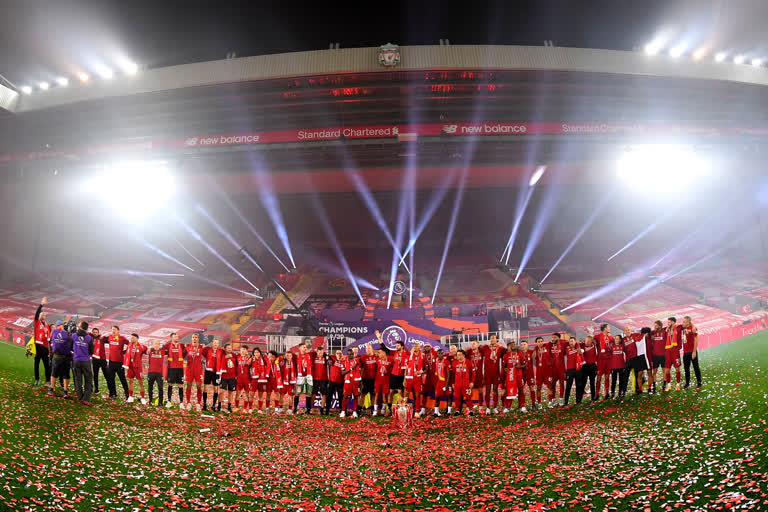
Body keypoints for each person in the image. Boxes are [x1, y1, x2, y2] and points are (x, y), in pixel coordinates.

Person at [480, 335, 505, 414]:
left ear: (497, 339)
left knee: (495, 390)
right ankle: (487, 408)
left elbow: (508, 351)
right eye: (491, 338)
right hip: (487, 373)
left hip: (496, 373)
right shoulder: (486, 347)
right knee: (487, 390)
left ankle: (494, 407)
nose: (491, 339)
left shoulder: (501, 348)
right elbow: (477, 349)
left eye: (493, 338)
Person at [71, 321, 94, 405]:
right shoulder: (88, 338)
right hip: (86, 361)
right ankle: (86, 398)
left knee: (78, 379)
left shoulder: (74, 336)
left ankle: (80, 397)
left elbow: (70, 347)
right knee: (88, 379)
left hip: (76, 360)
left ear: (80, 327)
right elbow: (91, 351)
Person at [104, 325, 129, 400]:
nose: (113, 331)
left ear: (118, 330)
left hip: (119, 362)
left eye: (114, 329)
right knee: (111, 379)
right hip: (111, 362)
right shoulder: (109, 337)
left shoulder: (122, 338)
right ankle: (112, 393)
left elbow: (129, 345)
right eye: (112, 330)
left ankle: (127, 395)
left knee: (122, 379)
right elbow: (102, 340)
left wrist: (124, 352)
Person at [49, 321, 72, 398]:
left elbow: (70, 340)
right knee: (54, 373)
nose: (59, 326)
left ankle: (65, 391)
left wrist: (67, 331)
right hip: (57, 356)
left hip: (66, 357)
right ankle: (51, 389)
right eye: (58, 325)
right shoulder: (55, 331)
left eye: (60, 325)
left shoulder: (66, 333)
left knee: (66, 374)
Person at [124, 333, 147, 405]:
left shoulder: (141, 347)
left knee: (140, 382)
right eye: (131, 338)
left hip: (138, 367)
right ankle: (130, 396)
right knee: (130, 381)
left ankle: (143, 397)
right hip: (130, 367)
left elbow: (147, 351)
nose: (131, 339)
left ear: (137, 338)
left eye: (133, 338)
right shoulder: (129, 346)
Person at [33, 297, 51, 386]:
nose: (44, 315)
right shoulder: (37, 322)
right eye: (42, 314)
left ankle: (48, 381)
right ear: (39, 316)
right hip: (38, 346)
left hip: (45, 347)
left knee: (46, 365)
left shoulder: (47, 325)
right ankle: (37, 379)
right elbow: (36, 314)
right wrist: (41, 305)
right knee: (36, 364)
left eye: (45, 315)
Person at [184, 333, 205, 411]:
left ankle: (198, 403)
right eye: (193, 337)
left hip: (198, 370)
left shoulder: (201, 347)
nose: (194, 339)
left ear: (198, 339)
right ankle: (188, 403)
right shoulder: (187, 347)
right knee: (188, 385)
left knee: (199, 386)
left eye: (196, 337)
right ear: (191, 338)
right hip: (189, 369)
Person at [164, 333, 185, 409]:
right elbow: (161, 350)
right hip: (171, 368)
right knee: (170, 384)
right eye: (175, 336)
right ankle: (169, 401)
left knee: (180, 385)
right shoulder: (167, 345)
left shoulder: (182, 345)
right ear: (171, 337)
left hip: (180, 368)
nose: (177, 337)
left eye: (177, 336)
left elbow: (185, 352)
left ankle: (181, 403)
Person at [450, 349, 474, 416]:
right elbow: (453, 374)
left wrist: (472, 382)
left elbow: (473, 373)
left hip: (466, 384)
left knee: (468, 397)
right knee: (457, 397)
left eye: (459, 355)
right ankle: (457, 410)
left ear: (463, 355)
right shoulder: (454, 363)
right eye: (457, 355)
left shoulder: (468, 362)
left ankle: (470, 410)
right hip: (457, 384)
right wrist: (453, 383)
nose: (458, 356)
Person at [681, 316, 702, 389]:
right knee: (686, 369)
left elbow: (696, 340)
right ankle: (687, 383)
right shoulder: (683, 327)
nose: (682, 323)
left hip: (692, 351)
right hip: (685, 352)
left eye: (684, 322)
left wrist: (694, 352)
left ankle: (699, 382)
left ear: (687, 322)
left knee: (696, 367)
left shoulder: (693, 329)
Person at [201, 338, 222, 411]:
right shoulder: (207, 349)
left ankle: (213, 405)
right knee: (205, 388)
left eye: (217, 343)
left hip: (216, 372)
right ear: (212, 343)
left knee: (216, 389)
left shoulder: (220, 351)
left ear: (218, 344)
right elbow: (201, 351)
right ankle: (204, 405)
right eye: (214, 343)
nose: (216, 344)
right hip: (208, 371)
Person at [404, 344, 425, 417]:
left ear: (419, 348)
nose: (415, 348)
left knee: (417, 395)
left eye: (417, 347)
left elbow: (426, 369)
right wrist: (404, 379)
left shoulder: (423, 356)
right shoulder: (409, 357)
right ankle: (404, 410)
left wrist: (421, 372)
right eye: (414, 347)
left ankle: (416, 411)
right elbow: (406, 369)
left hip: (417, 378)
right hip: (409, 378)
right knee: (406, 394)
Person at [340, 349, 361, 418]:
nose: (350, 355)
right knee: (345, 396)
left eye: (352, 354)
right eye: (349, 354)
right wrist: (350, 369)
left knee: (356, 396)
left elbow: (359, 372)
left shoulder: (357, 362)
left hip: (355, 381)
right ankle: (343, 411)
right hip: (347, 381)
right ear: (347, 354)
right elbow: (342, 373)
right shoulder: (343, 362)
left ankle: (355, 412)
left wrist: (360, 382)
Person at [387, 338, 407, 409]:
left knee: (400, 392)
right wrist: (379, 339)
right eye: (396, 345)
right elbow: (385, 349)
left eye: (398, 345)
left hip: (401, 376)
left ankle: (401, 407)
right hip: (393, 374)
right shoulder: (394, 353)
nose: (396, 347)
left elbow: (405, 369)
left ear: (402, 346)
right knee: (391, 391)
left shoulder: (405, 355)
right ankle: (389, 408)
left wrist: (405, 379)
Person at [594, 324, 613, 400]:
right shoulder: (597, 337)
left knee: (607, 376)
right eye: (608, 327)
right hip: (601, 360)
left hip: (608, 360)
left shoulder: (611, 338)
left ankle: (607, 393)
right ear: (605, 328)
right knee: (599, 377)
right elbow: (592, 342)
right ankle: (597, 394)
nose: (609, 328)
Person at [664, 317, 683, 392]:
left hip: (675, 351)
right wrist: (667, 329)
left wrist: (676, 324)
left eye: (669, 322)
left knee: (677, 369)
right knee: (667, 370)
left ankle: (678, 384)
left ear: (673, 322)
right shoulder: (666, 330)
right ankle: (669, 385)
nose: (668, 323)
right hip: (668, 352)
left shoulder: (678, 328)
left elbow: (684, 325)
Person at [563, 336, 583, 406]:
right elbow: (563, 342)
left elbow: (581, 343)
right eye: (570, 341)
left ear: (575, 341)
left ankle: (578, 401)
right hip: (569, 370)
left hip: (578, 369)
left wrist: (577, 345)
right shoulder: (567, 348)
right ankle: (566, 402)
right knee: (568, 386)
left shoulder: (578, 347)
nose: (571, 343)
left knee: (578, 385)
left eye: (572, 341)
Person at [466, 340, 486, 412]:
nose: (472, 345)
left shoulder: (481, 352)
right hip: (471, 375)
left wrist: (481, 347)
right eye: (472, 344)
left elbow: (486, 349)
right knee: (469, 391)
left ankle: (481, 407)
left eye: (474, 344)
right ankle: (468, 408)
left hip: (479, 375)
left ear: (478, 345)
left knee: (480, 391)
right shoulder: (468, 353)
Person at [309, 346, 329, 414]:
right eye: (319, 352)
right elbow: (309, 353)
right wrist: (315, 352)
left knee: (324, 394)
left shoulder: (325, 358)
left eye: (322, 352)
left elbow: (331, 359)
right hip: (315, 379)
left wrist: (327, 355)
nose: (320, 353)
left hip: (324, 379)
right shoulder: (313, 357)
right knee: (313, 394)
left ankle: (322, 409)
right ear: (317, 352)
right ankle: (309, 409)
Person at [293, 342, 313, 414]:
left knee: (308, 392)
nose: (305, 348)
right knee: (298, 392)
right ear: (300, 348)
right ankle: (295, 408)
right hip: (300, 377)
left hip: (308, 376)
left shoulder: (310, 355)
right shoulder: (296, 355)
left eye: (306, 347)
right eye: (304, 347)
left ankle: (308, 410)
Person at [218, 343, 238, 413]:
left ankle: (229, 407)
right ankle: (219, 406)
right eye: (228, 348)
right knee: (221, 392)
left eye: (230, 348)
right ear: (225, 349)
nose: (230, 349)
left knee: (231, 392)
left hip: (232, 377)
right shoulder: (222, 355)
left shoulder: (234, 355)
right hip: (224, 376)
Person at [430, 348, 450, 416]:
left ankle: (449, 412)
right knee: (437, 396)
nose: (440, 355)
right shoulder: (436, 361)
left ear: (443, 354)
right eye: (439, 353)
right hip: (439, 381)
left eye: (441, 353)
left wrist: (447, 385)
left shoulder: (446, 362)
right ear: (437, 354)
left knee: (449, 396)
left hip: (446, 381)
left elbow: (449, 374)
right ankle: (436, 412)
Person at [372, 347, 392, 416]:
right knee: (376, 395)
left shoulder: (390, 359)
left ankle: (383, 410)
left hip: (386, 380)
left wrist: (388, 371)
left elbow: (393, 368)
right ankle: (375, 411)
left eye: (379, 352)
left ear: (384, 353)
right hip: (378, 380)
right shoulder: (377, 359)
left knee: (384, 396)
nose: (378, 354)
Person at [359, 343, 378, 415]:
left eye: (369, 348)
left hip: (374, 379)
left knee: (373, 395)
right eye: (367, 349)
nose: (368, 350)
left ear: (372, 349)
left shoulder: (376, 357)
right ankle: (359, 409)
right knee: (363, 394)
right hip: (365, 379)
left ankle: (373, 410)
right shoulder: (363, 357)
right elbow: (359, 367)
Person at [579, 335, 598, 402]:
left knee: (592, 383)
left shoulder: (594, 346)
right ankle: (579, 399)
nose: (587, 342)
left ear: (591, 342)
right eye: (586, 341)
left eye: (589, 341)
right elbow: (576, 344)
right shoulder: (581, 345)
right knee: (583, 383)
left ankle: (593, 398)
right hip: (585, 366)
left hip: (592, 366)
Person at [534, 337, 552, 408]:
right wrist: (535, 349)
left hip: (547, 370)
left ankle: (550, 402)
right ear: (536, 343)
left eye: (541, 341)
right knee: (538, 387)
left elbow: (552, 342)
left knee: (549, 386)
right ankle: (539, 403)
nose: (540, 343)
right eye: (538, 341)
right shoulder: (535, 349)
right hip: (539, 371)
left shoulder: (547, 346)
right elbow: (533, 357)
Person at [649, 320, 667, 393]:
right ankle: (654, 387)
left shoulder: (664, 331)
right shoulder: (653, 332)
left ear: (660, 326)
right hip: (655, 356)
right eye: (654, 325)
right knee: (654, 372)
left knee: (664, 371)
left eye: (656, 325)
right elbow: (648, 333)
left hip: (663, 355)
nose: (655, 327)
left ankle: (664, 386)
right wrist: (651, 335)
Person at [549, 333, 567, 407]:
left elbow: (571, 342)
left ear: (559, 338)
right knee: (552, 385)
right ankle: (552, 400)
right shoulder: (550, 345)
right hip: (553, 369)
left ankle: (561, 399)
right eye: (552, 337)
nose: (553, 339)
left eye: (555, 337)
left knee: (562, 383)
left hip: (561, 368)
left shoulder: (563, 344)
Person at [146, 339, 165, 406]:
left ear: (160, 345)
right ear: (153, 345)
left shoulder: (162, 351)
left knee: (160, 388)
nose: (156, 345)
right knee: (150, 387)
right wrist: (150, 348)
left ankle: (160, 402)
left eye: (158, 344)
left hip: (159, 373)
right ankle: (150, 400)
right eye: (155, 344)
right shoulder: (150, 351)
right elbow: (146, 351)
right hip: (151, 372)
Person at [327, 348, 345, 416]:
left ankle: (342, 410)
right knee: (329, 396)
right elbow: (328, 358)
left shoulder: (344, 361)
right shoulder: (333, 359)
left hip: (341, 382)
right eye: (337, 353)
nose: (339, 355)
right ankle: (327, 410)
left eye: (340, 353)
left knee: (341, 397)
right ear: (335, 354)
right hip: (332, 381)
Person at [520, 339, 537, 410]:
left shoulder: (531, 352)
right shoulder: (518, 353)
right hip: (521, 374)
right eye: (521, 345)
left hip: (530, 374)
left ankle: (533, 404)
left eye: (524, 344)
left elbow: (535, 356)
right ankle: (521, 405)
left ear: (527, 345)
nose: (523, 346)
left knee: (532, 388)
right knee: (521, 389)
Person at [250, 347, 269, 413]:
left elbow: (268, 364)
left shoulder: (263, 359)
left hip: (262, 379)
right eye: (255, 352)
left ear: (260, 353)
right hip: (254, 379)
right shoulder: (252, 359)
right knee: (251, 393)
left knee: (260, 394)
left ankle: (260, 409)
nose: (256, 353)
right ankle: (250, 408)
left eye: (257, 352)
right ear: (253, 353)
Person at [235, 346, 252, 413]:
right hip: (239, 378)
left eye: (244, 349)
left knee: (246, 394)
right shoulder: (237, 357)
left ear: (247, 351)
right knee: (237, 393)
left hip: (246, 379)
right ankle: (236, 407)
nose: (243, 351)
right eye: (242, 349)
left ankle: (245, 408)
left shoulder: (249, 358)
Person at [90, 327, 106, 395]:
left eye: (96, 332)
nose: (95, 333)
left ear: (98, 333)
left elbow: (107, 339)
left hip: (102, 359)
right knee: (95, 375)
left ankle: (112, 391)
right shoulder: (90, 337)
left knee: (107, 375)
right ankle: (96, 389)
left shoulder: (101, 338)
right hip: (95, 360)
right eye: (94, 332)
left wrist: (103, 336)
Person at [609, 334, 626, 399]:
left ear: (620, 340)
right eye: (615, 338)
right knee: (614, 380)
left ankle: (620, 392)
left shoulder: (622, 346)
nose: (616, 340)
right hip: (614, 366)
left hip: (621, 365)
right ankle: (612, 392)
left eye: (618, 338)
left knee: (621, 380)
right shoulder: (612, 346)